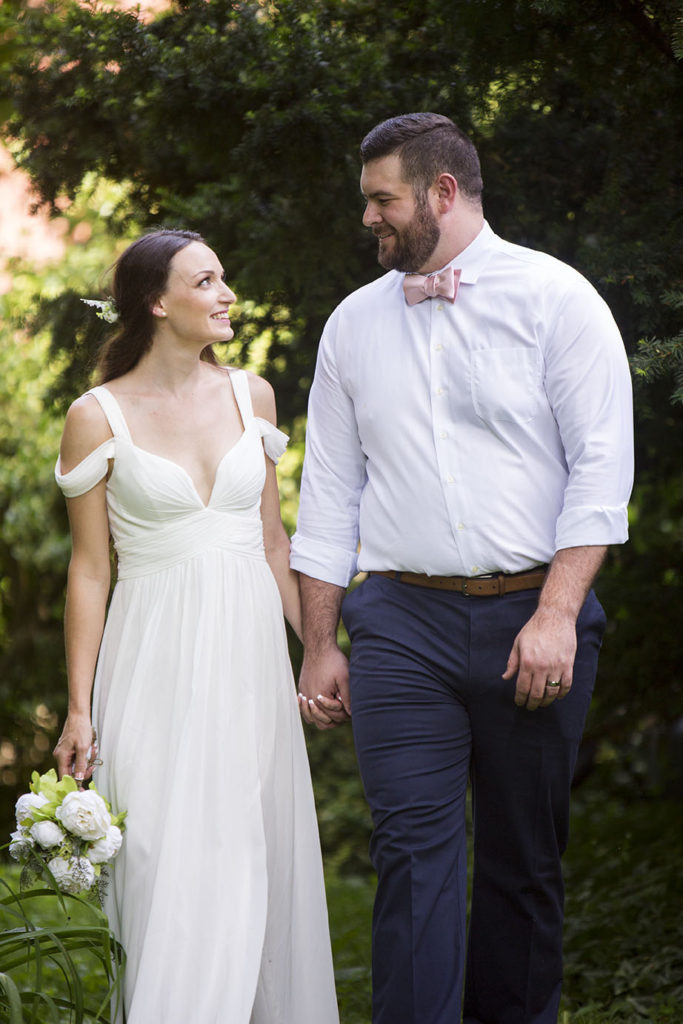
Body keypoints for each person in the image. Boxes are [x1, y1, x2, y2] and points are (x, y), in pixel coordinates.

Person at [291, 114, 633, 1024]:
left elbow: (601, 471)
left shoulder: (557, 299)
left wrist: (558, 612)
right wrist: (319, 644)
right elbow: (326, 495)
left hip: (537, 611)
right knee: (411, 852)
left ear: (442, 192)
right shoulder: (352, 326)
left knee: (524, 862)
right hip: (400, 621)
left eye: (381, 199)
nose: (368, 217)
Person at [53, 229, 340, 1024]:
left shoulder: (253, 397)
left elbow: (274, 542)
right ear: (157, 303)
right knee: (167, 869)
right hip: (153, 664)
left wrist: (318, 649)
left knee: (254, 856)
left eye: (223, 279)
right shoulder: (95, 414)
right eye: (206, 281)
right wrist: (80, 707)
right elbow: (89, 570)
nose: (226, 295)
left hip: (249, 662)